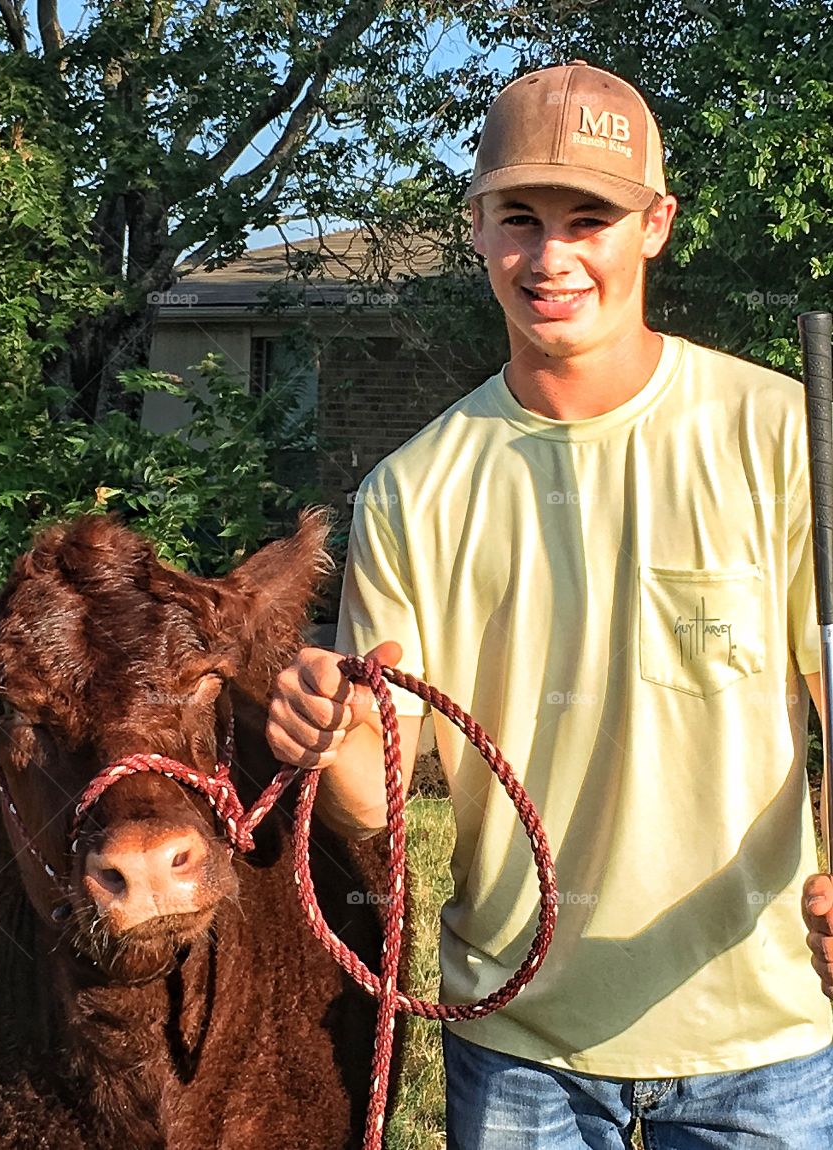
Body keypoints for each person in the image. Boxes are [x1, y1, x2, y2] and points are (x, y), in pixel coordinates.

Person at [266, 60, 833, 1148]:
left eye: (592, 217)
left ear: (657, 225)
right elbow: (378, 803)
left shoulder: (781, 435)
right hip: (520, 1044)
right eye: (520, 217)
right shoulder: (411, 490)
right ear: (475, 226)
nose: (552, 255)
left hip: (760, 1042)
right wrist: (327, 735)